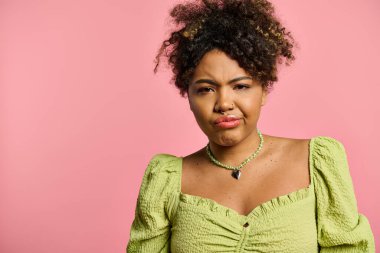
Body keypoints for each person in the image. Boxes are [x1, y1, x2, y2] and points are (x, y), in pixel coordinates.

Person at [127, 0, 375, 252]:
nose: (224, 103)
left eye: (241, 86)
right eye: (206, 89)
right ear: (188, 96)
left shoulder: (317, 162)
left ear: (264, 91)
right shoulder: (165, 180)